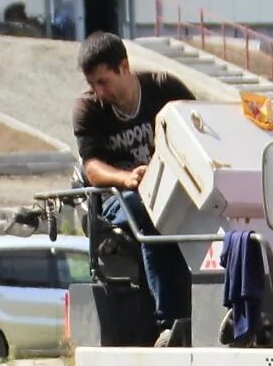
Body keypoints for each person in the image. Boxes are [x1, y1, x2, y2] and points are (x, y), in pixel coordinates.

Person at [72, 32, 196, 330]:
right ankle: (169, 319)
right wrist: (127, 178)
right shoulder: (87, 109)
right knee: (145, 209)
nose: (99, 92)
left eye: (103, 82)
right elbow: (93, 169)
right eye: (92, 84)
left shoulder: (165, 88)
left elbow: (199, 129)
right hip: (118, 200)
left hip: (173, 192)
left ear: (124, 67)